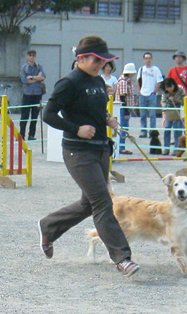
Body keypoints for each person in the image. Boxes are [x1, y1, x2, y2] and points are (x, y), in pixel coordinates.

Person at [37, 35, 140, 278]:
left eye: (104, 61)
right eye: (97, 59)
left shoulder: (96, 81)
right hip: (77, 151)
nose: (101, 64)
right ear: (81, 58)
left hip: (100, 148)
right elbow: (48, 114)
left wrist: (107, 119)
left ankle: (48, 226)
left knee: (88, 203)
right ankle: (122, 258)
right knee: (103, 201)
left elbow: (95, 109)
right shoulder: (69, 83)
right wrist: (76, 129)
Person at [20, 49, 46, 140]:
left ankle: (31, 135)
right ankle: (21, 135)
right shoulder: (24, 67)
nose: (31, 57)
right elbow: (24, 80)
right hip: (27, 94)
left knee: (35, 116)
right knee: (24, 115)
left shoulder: (39, 67)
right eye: (30, 55)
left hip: (37, 94)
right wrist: (37, 78)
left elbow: (43, 77)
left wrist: (31, 77)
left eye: (33, 55)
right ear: (27, 56)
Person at [136, 52, 163, 138]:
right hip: (142, 94)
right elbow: (138, 80)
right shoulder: (141, 69)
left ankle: (152, 131)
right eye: (146, 58)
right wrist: (139, 91)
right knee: (143, 114)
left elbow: (159, 81)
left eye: (149, 58)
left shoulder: (156, 69)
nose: (148, 60)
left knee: (152, 114)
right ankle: (143, 131)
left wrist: (154, 91)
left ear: (152, 59)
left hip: (152, 94)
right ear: (144, 59)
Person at [115, 63, 137, 154]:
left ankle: (121, 146)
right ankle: (121, 147)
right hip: (123, 108)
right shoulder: (124, 82)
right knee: (123, 128)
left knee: (124, 127)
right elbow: (122, 97)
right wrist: (127, 111)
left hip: (125, 107)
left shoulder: (126, 81)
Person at [160, 78, 186, 156]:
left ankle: (176, 149)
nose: (169, 89)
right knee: (167, 130)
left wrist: (175, 99)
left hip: (178, 112)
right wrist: (164, 118)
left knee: (178, 132)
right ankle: (166, 149)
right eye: (167, 88)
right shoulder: (164, 94)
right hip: (169, 112)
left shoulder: (180, 89)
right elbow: (164, 106)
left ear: (173, 85)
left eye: (170, 87)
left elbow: (185, 101)